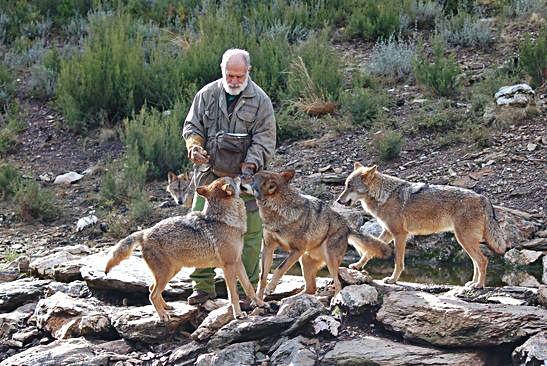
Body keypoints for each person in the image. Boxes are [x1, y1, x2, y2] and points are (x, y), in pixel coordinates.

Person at [182, 48, 276, 305]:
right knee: (198, 229)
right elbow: (192, 127)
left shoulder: (260, 101)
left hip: (244, 178)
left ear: (248, 72)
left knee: (251, 233)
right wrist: (194, 147)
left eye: (239, 76)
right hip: (210, 178)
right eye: (229, 75)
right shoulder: (207, 94)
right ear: (222, 70)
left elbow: (265, 140)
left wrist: (251, 165)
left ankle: (247, 293)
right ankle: (202, 287)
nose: (234, 81)